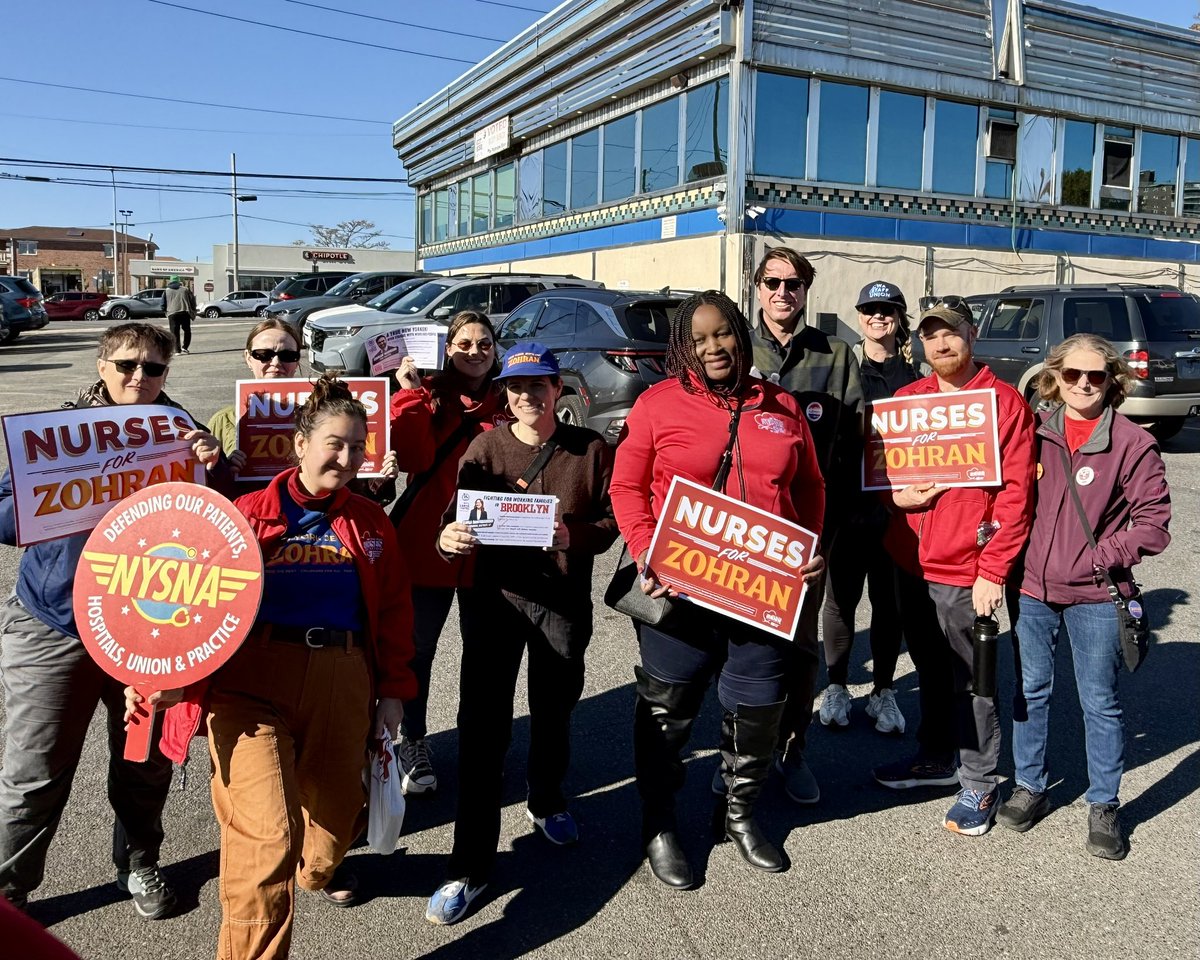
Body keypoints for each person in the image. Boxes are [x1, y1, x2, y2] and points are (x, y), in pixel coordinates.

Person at [149, 376, 416, 959]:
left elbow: (396, 613)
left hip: (343, 680)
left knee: (323, 847)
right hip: (250, 684)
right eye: (333, 444)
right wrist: (169, 677)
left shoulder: (372, 524)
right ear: (299, 445)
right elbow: (192, 602)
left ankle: (315, 870)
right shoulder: (244, 514)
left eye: (356, 447)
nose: (346, 459)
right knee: (266, 839)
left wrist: (394, 693)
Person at [0, 323, 223, 919]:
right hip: (54, 623)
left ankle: (140, 859)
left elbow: (221, 526)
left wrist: (214, 466)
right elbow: (1, 517)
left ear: (167, 375)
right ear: (102, 366)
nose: (138, 377)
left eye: (154, 368)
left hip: (146, 628)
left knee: (143, 762)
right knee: (33, 772)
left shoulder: (183, 436)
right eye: (126, 364)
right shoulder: (59, 434)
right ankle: (10, 891)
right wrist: (69, 493)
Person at [611, 291, 826, 891]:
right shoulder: (658, 404)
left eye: (723, 334)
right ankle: (659, 825)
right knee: (668, 716)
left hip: (762, 590)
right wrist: (646, 546)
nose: (713, 347)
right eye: (699, 338)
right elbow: (626, 486)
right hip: (677, 591)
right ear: (684, 344)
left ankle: (739, 815)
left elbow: (809, 486)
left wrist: (809, 547)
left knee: (756, 712)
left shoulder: (780, 404)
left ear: (740, 334)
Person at [425, 342, 616, 925]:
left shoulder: (589, 449)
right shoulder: (485, 446)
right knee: (482, 729)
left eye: (538, 386)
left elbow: (609, 523)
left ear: (559, 390)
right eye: (515, 388)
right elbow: (453, 518)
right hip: (494, 603)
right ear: (503, 394)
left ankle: (547, 798)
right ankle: (469, 866)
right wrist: (445, 539)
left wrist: (571, 539)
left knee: (554, 709)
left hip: (560, 603)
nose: (526, 396)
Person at [996, 334, 1170, 859]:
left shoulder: (1133, 444)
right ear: (1054, 378)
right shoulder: (1035, 433)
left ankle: (1104, 803)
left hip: (1095, 594)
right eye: (1072, 374)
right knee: (1031, 690)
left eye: (1096, 376)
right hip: (1030, 590)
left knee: (1099, 701)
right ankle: (1030, 785)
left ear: (1112, 380)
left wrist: (1100, 558)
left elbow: (1155, 527)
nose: (1084, 384)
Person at [875, 299, 1036, 837]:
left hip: (967, 568)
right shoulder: (907, 401)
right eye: (930, 336)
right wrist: (898, 498)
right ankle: (937, 756)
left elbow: (1016, 496)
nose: (941, 344)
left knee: (973, 679)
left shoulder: (1003, 402)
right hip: (910, 561)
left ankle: (980, 780)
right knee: (931, 668)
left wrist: (993, 569)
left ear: (971, 334)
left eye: (951, 333)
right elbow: (889, 480)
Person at [746, 246, 863, 804]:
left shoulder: (835, 355)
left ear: (806, 290)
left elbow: (859, 443)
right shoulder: (735, 347)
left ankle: (794, 751)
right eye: (772, 282)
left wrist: (837, 521)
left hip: (808, 529)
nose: (782, 293)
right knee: (742, 643)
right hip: (738, 526)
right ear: (757, 286)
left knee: (799, 645)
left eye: (793, 284)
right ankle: (743, 756)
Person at [388, 310, 505, 795]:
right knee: (416, 652)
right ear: (448, 348)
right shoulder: (427, 395)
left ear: (496, 349)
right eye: (464, 343)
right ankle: (411, 739)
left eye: (484, 343)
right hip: (425, 544)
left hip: (491, 546)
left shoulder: (508, 398)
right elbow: (411, 459)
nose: (474, 352)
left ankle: (481, 743)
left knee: (487, 653)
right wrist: (413, 392)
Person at [819, 281, 924, 734]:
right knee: (840, 598)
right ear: (859, 316)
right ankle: (837, 685)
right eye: (870, 310)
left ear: (900, 318)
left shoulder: (917, 379)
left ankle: (883, 690)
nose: (878, 317)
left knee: (889, 603)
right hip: (847, 504)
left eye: (887, 310)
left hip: (897, 509)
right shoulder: (844, 368)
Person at [208, 318, 398, 498]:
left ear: (297, 361)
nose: (276, 363)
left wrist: (379, 476)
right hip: (255, 523)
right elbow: (211, 496)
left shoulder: (327, 415)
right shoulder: (224, 421)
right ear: (248, 358)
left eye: (287, 355)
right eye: (263, 355)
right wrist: (223, 469)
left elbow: (356, 491)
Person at [164, 276, 196, 356]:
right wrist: (193, 310)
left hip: (172, 313)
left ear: (170, 281)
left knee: (174, 332)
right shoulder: (185, 290)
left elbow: (162, 303)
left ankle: (177, 350)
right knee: (187, 330)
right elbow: (192, 300)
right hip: (184, 312)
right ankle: (185, 347)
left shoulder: (166, 291)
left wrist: (165, 311)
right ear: (179, 281)